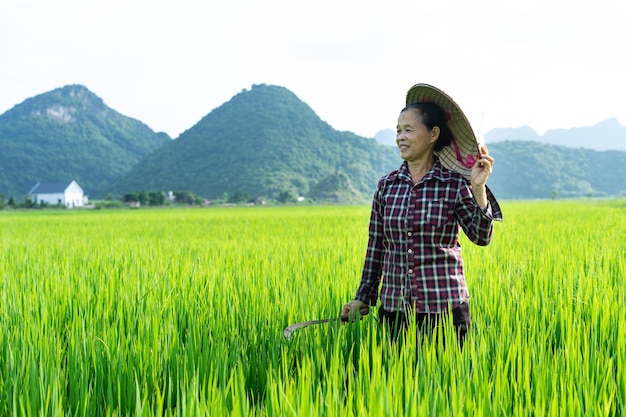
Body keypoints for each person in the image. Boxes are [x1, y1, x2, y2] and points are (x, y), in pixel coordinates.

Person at [341, 84, 503, 349]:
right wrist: (364, 297)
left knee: (448, 387)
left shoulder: (453, 184)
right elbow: (376, 246)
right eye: (398, 131)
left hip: (445, 310)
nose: (400, 137)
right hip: (395, 311)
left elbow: (481, 237)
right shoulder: (387, 185)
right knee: (398, 386)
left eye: (408, 129)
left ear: (433, 134)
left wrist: (478, 188)